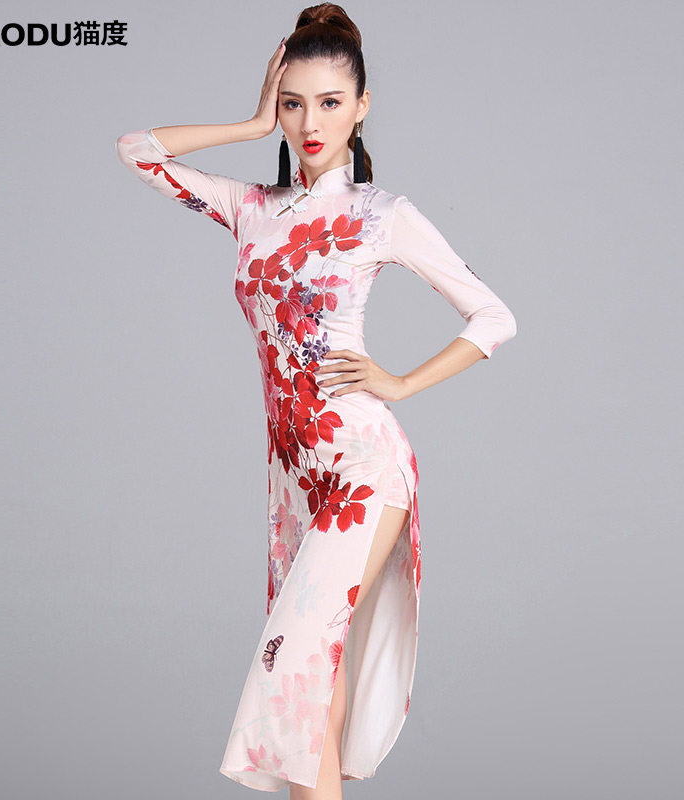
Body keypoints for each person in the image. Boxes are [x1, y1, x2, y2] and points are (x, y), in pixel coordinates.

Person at [115, 3, 517, 797]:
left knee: (295, 667)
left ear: (362, 107)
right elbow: (138, 151)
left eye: (330, 102)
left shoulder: (379, 215)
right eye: (293, 103)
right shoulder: (250, 208)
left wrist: (400, 383)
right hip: (295, 477)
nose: (309, 122)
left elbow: (494, 316)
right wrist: (249, 121)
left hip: (364, 465)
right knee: (313, 696)